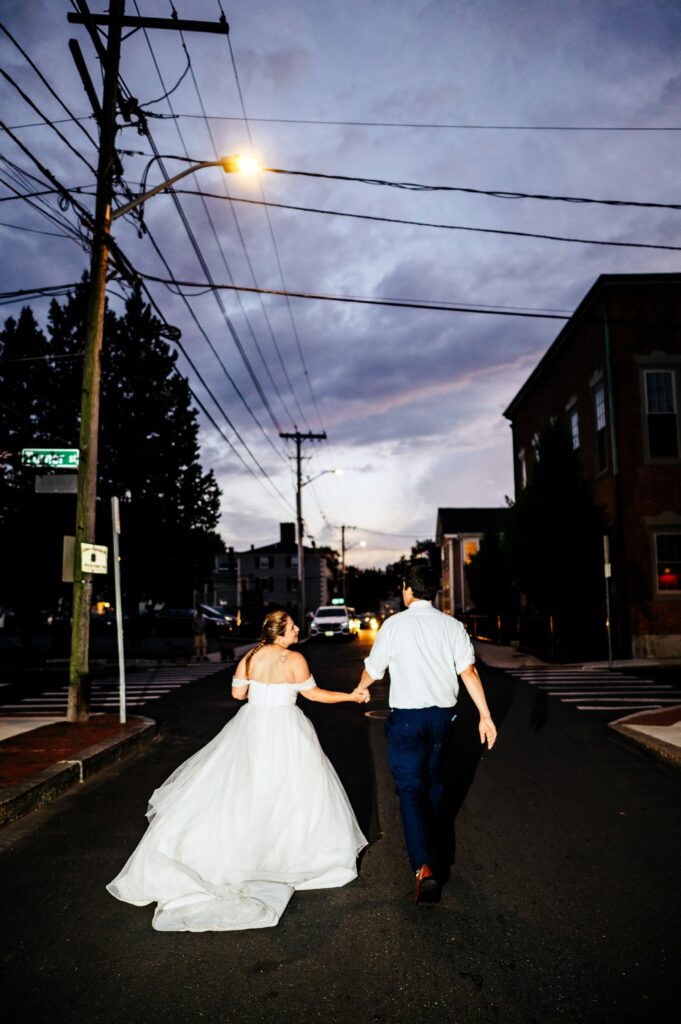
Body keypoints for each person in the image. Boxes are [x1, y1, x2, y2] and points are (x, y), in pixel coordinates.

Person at [107, 610, 369, 931]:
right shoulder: (294, 659)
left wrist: (257, 682)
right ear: (280, 633)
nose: (298, 629)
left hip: (253, 725)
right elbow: (313, 694)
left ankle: (247, 848)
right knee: (292, 789)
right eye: (293, 626)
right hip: (287, 727)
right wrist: (350, 696)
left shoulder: (251, 656)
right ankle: (284, 851)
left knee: (248, 787)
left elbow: (237, 694)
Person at [356, 563, 497, 902]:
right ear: (434, 592)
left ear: (408, 591)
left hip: (406, 720)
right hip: (442, 719)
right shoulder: (452, 627)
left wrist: (360, 689)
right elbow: (469, 673)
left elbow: (373, 670)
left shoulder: (394, 625)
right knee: (434, 782)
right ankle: (432, 847)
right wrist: (485, 715)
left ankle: (423, 865)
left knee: (409, 790)